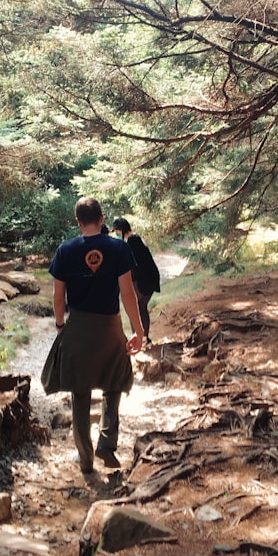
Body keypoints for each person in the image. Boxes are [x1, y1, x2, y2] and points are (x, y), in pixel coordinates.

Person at [42, 197, 145, 474]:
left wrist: (61, 326)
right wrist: (137, 330)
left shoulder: (65, 250)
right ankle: (107, 443)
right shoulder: (118, 247)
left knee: (80, 391)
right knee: (116, 381)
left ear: (78, 222)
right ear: (101, 219)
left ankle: (85, 459)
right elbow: (126, 293)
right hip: (110, 327)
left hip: (78, 328)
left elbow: (58, 296)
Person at [111, 217, 161, 346]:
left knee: (136, 309)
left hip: (145, 281)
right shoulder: (135, 239)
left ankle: (139, 339)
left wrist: (131, 286)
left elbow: (134, 267)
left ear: (122, 230)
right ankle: (143, 338)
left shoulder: (132, 242)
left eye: (117, 231)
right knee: (141, 309)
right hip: (149, 279)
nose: (116, 234)